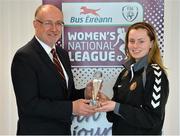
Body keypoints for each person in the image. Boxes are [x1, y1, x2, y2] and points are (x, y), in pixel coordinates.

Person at [11, 4, 95, 135]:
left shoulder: (62, 54)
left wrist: (85, 93)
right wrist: (71, 108)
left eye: (59, 23)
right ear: (35, 24)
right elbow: (29, 105)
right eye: (48, 23)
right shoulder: (24, 57)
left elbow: (65, 95)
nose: (54, 29)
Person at [96, 22, 169, 135]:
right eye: (132, 41)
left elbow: (152, 118)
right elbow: (113, 118)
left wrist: (116, 107)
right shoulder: (124, 73)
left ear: (151, 43)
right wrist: (107, 103)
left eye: (141, 41)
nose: (135, 46)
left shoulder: (154, 73)